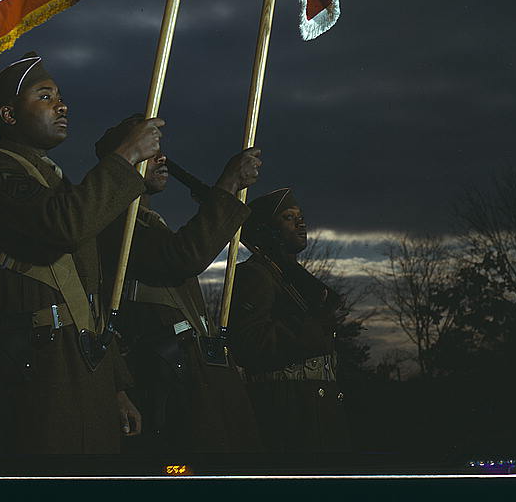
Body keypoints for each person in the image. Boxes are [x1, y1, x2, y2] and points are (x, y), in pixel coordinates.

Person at [0, 52, 162, 455]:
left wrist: (115, 385)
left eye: (61, 97)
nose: (62, 105)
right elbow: (63, 225)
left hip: (81, 365)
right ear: (10, 115)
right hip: (37, 365)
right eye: (45, 96)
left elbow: (87, 296)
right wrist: (125, 157)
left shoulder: (55, 179)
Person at [94, 116, 263, 455]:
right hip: (162, 378)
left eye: (161, 150)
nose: (162, 159)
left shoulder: (148, 221)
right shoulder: (115, 222)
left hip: (189, 374)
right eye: (150, 150)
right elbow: (182, 257)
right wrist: (228, 185)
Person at [227, 188, 351, 454]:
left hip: (316, 406)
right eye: (288, 217)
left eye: (301, 216)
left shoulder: (292, 278)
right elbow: (249, 342)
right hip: (287, 407)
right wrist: (317, 327)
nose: (301, 222)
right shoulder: (254, 275)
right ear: (267, 229)